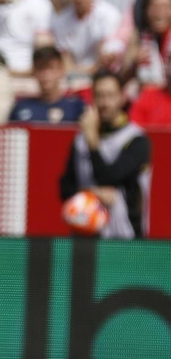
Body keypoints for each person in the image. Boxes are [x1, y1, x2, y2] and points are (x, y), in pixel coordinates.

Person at [60, 72, 151, 239]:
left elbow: (109, 177)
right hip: (86, 236)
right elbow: (65, 188)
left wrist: (93, 143)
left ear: (122, 98)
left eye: (110, 96)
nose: (104, 103)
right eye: (99, 96)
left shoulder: (136, 140)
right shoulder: (81, 140)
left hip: (125, 237)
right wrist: (91, 192)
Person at [12, 46, 86, 126]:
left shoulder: (76, 107)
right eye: (40, 68)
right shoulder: (21, 107)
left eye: (50, 68)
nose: (45, 74)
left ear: (61, 70)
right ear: (33, 72)